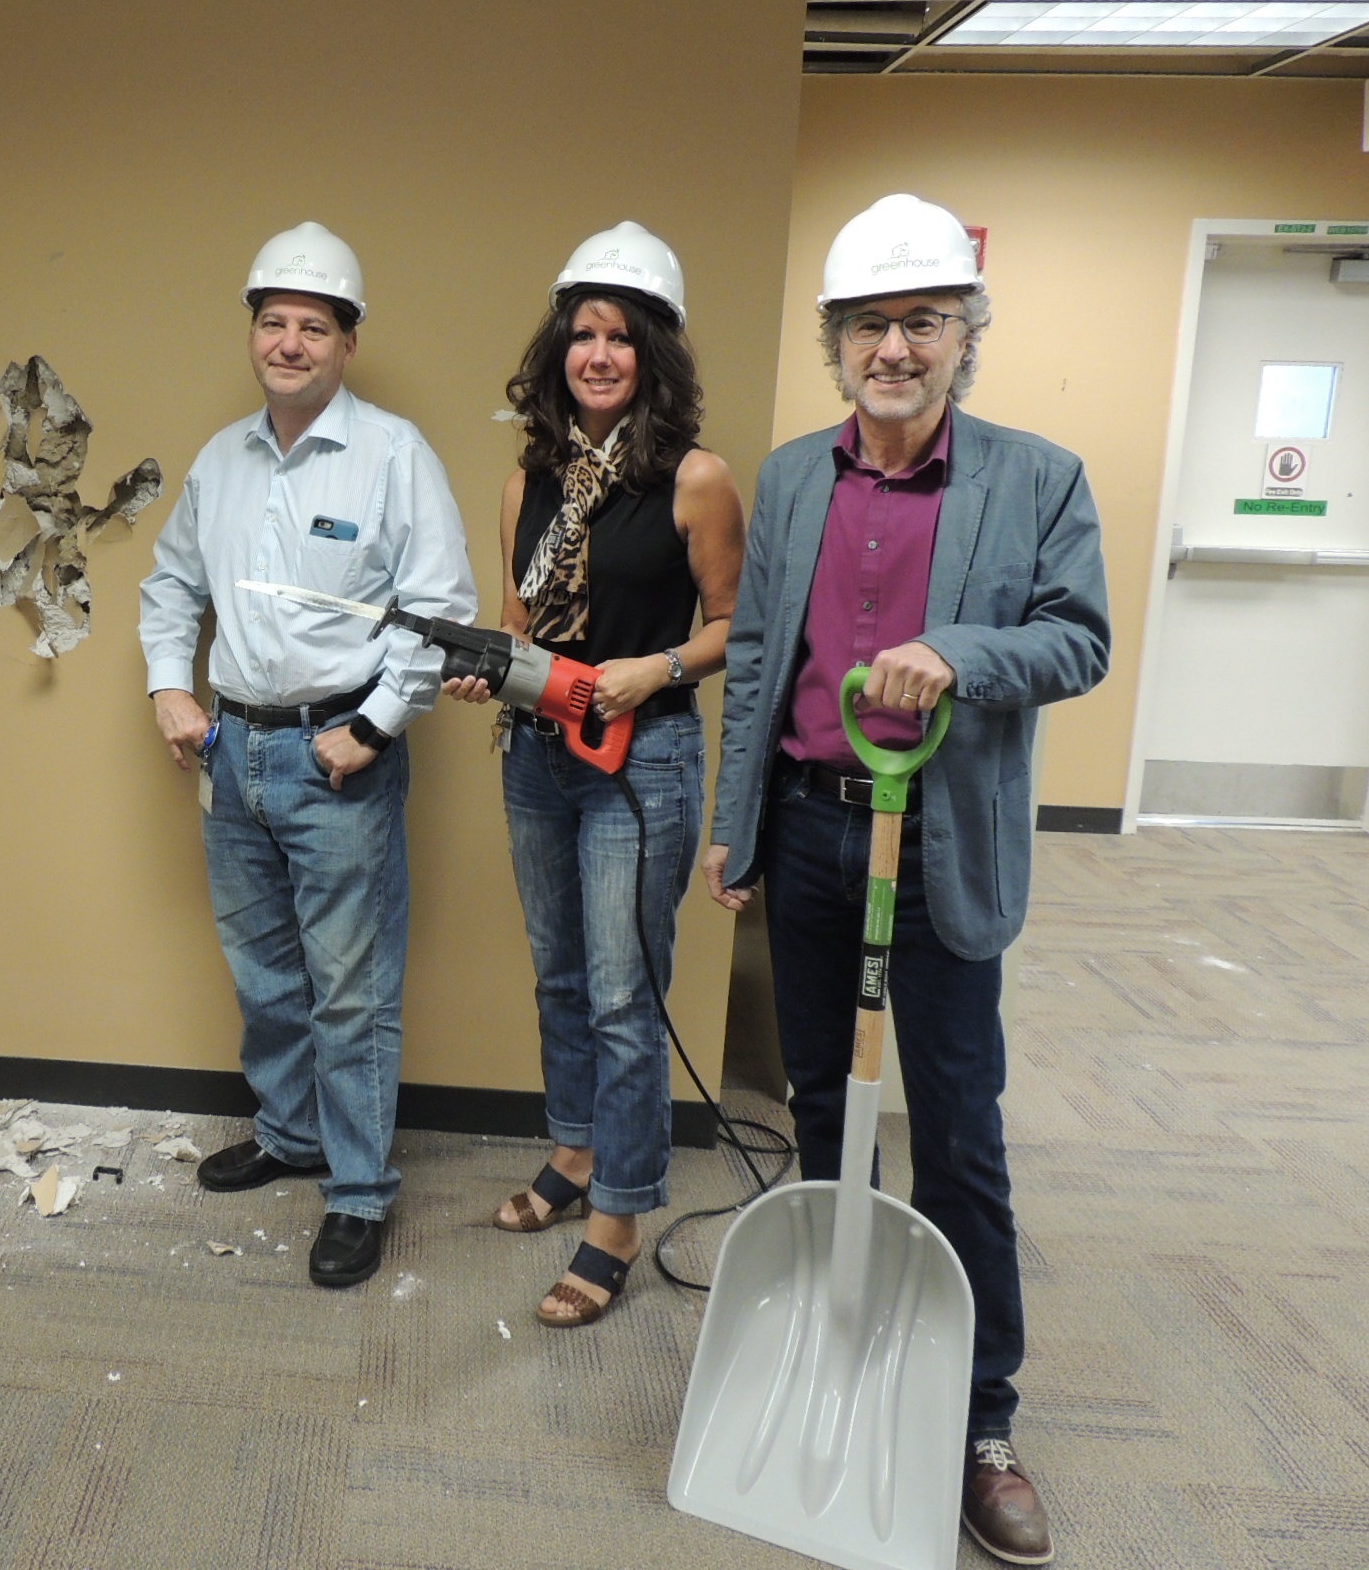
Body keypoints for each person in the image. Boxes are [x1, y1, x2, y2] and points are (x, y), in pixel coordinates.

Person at [703, 194, 1109, 1566]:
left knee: (957, 1127)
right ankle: (840, 1344)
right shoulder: (792, 479)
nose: (895, 346)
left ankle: (984, 1422)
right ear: (838, 342)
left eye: (922, 320)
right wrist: (731, 824)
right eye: (871, 323)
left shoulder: (1035, 478)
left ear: (964, 338)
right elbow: (757, 659)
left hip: (937, 834)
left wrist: (960, 653)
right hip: (814, 830)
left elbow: (1077, 639)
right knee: (822, 1099)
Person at [139, 222, 475, 1289]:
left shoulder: (392, 455)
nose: (289, 342)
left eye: (313, 327)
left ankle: (361, 1191)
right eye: (273, 323)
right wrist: (168, 685)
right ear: (255, 333)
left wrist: (371, 728)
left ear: (347, 341)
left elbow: (439, 613)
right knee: (266, 976)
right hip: (233, 753)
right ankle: (290, 1136)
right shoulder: (222, 458)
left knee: (350, 988)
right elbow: (169, 586)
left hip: (341, 759)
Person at [444, 224, 743, 1328]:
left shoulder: (693, 479)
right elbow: (522, 625)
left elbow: (733, 627)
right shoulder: (530, 480)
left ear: (652, 353)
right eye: (583, 334)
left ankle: (615, 1216)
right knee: (560, 974)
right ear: (558, 348)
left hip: (644, 760)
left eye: (621, 336)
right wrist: (493, 674)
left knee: (624, 997)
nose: (598, 354)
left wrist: (647, 669)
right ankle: (572, 1150)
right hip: (539, 756)